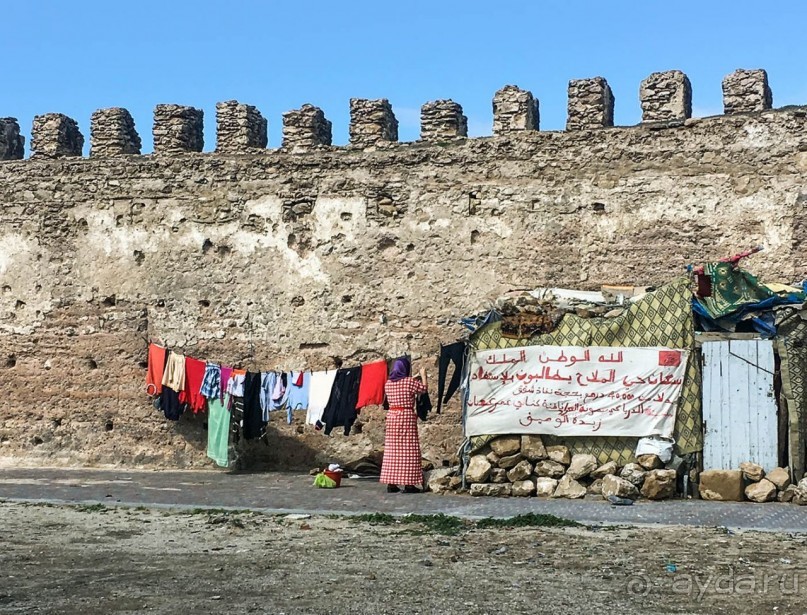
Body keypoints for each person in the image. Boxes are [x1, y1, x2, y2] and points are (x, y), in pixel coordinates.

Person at [380, 357, 428, 493]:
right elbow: (423, 389)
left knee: (392, 450)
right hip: (406, 417)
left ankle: (391, 483)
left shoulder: (388, 384)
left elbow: (401, 383)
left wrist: (414, 377)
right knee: (409, 450)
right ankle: (409, 484)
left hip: (392, 417)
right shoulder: (409, 382)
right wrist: (423, 376)